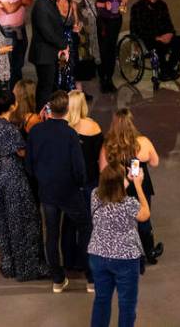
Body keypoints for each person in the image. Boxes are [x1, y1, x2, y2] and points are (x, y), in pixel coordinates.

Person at [26, 90, 93, 292]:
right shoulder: (70, 134)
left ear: (49, 108)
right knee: (85, 230)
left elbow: (29, 164)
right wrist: (81, 185)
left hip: (47, 192)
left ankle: (57, 279)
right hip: (70, 192)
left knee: (51, 235)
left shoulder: (36, 131)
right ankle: (91, 279)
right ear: (67, 110)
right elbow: (79, 167)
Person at [0, 89, 49, 281]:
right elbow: (23, 153)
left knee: (6, 217)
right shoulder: (10, 129)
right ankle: (29, 266)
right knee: (25, 218)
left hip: (0, 173)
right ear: (12, 106)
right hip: (13, 174)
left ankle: (11, 263)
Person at [88, 164, 151, 327]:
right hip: (125, 259)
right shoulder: (129, 204)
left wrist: (125, 181)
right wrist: (138, 184)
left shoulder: (95, 195)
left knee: (101, 300)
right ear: (118, 184)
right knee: (127, 305)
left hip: (98, 255)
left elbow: (112, 190)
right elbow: (145, 214)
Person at [100, 108, 163, 267]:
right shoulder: (144, 142)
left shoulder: (108, 146)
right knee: (144, 219)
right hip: (142, 185)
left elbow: (103, 170)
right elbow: (155, 162)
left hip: (121, 187)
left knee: (124, 223)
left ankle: (132, 255)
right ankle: (150, 253)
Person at [62, 90, 103, 272]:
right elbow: (99, 157)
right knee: (87, 223)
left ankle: (69, 261)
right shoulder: (94, 127)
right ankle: (86, 262)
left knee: (69, 224)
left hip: (69, 182)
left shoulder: (64, 128)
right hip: (89, 181)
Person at [129, 0, 180, 80]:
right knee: (159, 46)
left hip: (164, 36)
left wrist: (170, 34)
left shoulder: (162, 5)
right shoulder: (137, 8)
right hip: (148, 38)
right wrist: (157, 38)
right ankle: (163, 71)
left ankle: (168, 67)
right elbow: (137, 29)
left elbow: (169, 23)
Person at [89, 0, 128, 94]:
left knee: (111, 48)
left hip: (116, 19)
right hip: (102, 19)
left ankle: (109, 78)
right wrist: (103, 4)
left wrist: (123, 4)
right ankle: (102, 78)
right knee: (102, 48)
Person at [29, 0, 68, 108]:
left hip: (49, 53)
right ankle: (42, 117)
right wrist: (64, 45)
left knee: (49, 87)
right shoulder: (41, 6)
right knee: (45, 89)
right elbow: (48, 33)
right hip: (43, 55)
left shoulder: (50, 2)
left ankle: (48, 116)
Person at [65, 0, 100, 86]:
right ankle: (76, 90)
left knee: (84, 58)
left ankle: (80, 90)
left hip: (89, 29)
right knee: (78, 60)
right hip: (78, 30)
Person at [56, 0, 80, 92]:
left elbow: (76, 22)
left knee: (72, 65)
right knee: (60, 66)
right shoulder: (53, 6)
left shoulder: (73, 4)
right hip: (58, 39)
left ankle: (71, 89)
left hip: (71, 39)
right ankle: (60, 91)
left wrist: (77, 27)